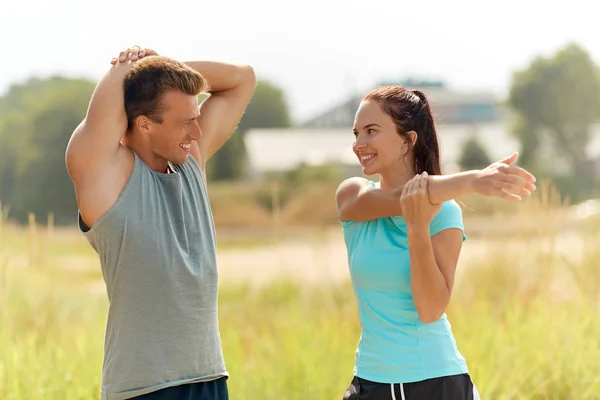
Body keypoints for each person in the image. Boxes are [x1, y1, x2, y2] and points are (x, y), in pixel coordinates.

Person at [65, 45, 256, 400]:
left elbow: (241, 79)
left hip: (210, 377)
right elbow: (100, 125)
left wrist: (159, 68)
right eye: (186, 122)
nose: (197, 133)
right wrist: (127, 68)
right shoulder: (106, 178)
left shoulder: (190, 162)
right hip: (146, 389)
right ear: (144, 124)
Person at [336, 85, 537, 400]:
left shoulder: (445, 213)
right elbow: (400, 198)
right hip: (371, 382)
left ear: (409, 139)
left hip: (437, 381)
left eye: (371, 131)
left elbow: (430, 309)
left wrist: (417, 231)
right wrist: (472, 180)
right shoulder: (353, 196)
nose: (359, 144)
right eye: (356, 133)